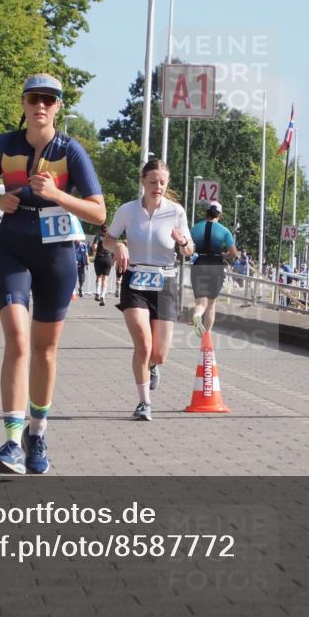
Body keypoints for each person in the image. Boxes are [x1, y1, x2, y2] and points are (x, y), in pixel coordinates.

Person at [0, 73, 105, 474]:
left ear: (58, 107)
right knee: (17, 339)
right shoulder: (4, 145)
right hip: (12, 246)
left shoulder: (71, 151)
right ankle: (12, 442)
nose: (41, 105)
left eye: (49, 99)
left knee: (45, 349)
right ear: (24, 103)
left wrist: (57, 195)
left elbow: (99, 212)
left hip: (57, 253)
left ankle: (38, 434)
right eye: (34, 98)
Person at [106, 158, 194, 421]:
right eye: (153, 181)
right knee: (143, 346)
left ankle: (153, 366)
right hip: (135, 280)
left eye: (163, 182)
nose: (158, 187)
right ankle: (144, 403)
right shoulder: (127, 210)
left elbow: (190, 250)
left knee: (159, 354)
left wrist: (183, 242)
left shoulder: (176, 211)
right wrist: (119, 246)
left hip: (165, 282)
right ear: (143, 181)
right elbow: (108, 239)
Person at [189, 201, 239, 337]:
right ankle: (207, 336)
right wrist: (224, 255)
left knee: (200, 302)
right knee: (211, 304)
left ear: (206, 212)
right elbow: (234, 254)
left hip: (199, 264)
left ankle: (198, 314)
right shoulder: (224, 231)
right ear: (220, 214)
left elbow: (188, 249)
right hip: (216, 265)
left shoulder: (194, 229)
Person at [91, 224, 114, 305]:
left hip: (99, 258)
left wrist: (96, 249)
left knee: (98, 276)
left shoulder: (97, 237)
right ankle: (103, 296)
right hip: (107, 258)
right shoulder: (110, 237)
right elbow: (113, 248)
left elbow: (94, 247)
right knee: (105, 278)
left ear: (101, 230)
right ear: (107, 230)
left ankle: (97, 292)